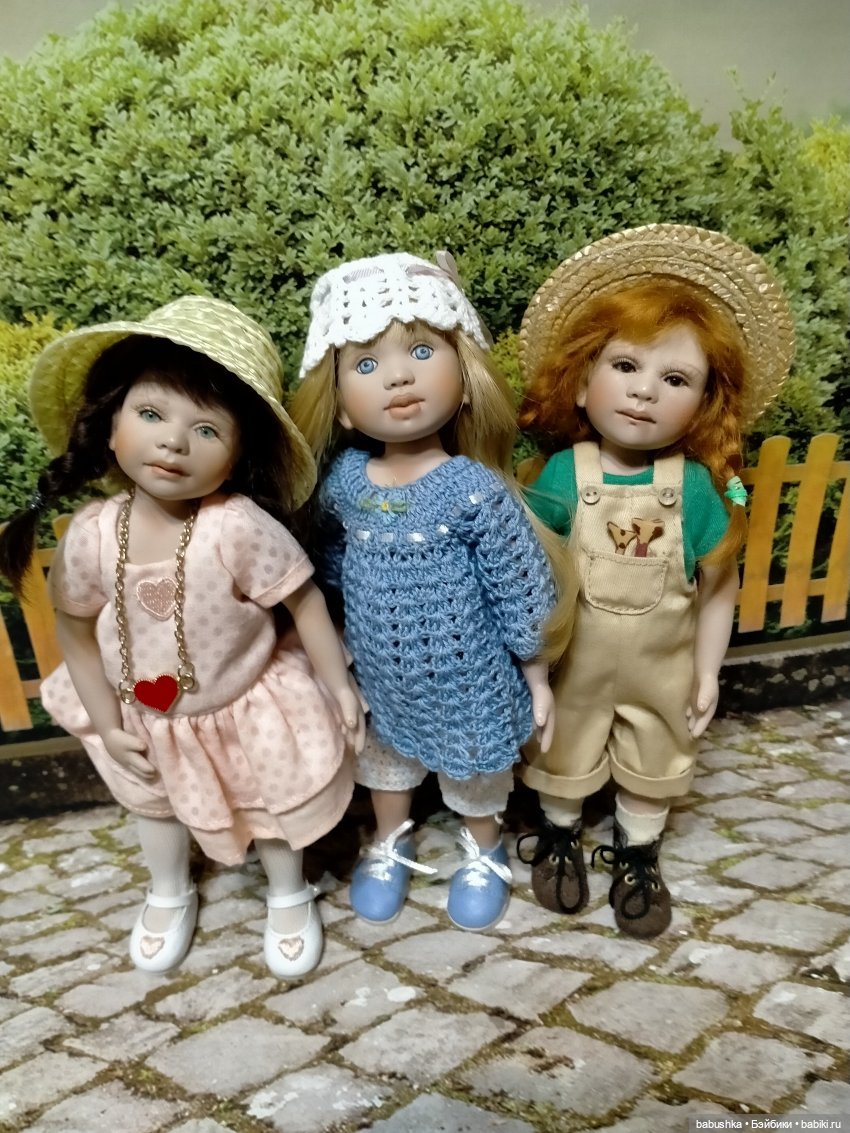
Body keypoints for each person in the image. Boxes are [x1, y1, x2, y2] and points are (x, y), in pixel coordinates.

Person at [0, 296, 365, 977]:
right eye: (150, 414)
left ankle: (288, 891)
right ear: (111, 426)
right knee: (155, 807)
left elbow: (305, 600)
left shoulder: (236, 526)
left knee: (272, 805)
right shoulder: (93, 535)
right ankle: (169, 889)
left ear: (237, 454)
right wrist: (106, 723)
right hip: (141, 714)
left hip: (245, 707)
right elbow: (75, 633)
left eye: (205, 429)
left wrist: (338, 685)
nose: (173, 442)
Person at [515, 224, 794, 937]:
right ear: (582, 382)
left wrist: (706, 671)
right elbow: (529, 575)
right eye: (625, 366)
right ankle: (559, 832)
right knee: (561, 746)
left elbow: (719, 586)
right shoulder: (562, 475)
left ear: (703, 404)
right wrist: (532, 668)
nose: (644, 392)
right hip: (573, 663)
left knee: (657, 754)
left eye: (675, 380)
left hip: (662, 668)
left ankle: (638, 850)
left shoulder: (694, 488)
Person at [290, 252, 569, 931]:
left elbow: (519, 585)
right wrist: (338, 642)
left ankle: (484, 846)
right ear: (342, 407)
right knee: (385, 766)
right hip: (381, 675)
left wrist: (536, 673)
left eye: (421, 352)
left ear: (466, 380)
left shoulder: (472, 489)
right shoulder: (346, 483)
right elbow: (331, 566)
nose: (399, 376)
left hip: (468, 677)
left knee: (475, 773)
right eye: (366, 365)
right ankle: (391, 839)